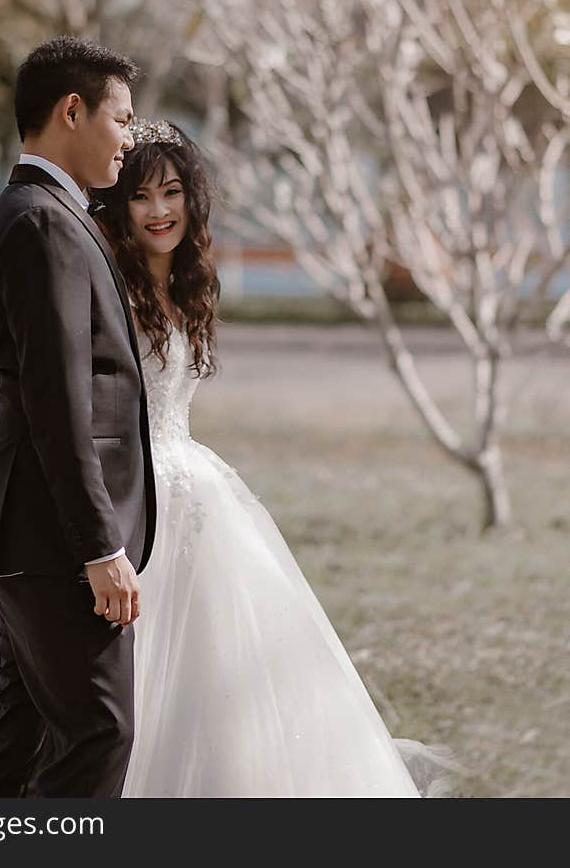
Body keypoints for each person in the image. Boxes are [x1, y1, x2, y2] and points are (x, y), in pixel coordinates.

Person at [87, 119, 459, 797]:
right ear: (120, 204)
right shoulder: (109, 286)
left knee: (223, 674)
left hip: (198, 492)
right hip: (131, 495)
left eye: (172, 192)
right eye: (142, 196)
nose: (160, 210)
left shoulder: (194, 284)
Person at [0, 35, 157, 798]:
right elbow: (56, 400)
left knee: (27, 730)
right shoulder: (41, 223)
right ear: (72, 110)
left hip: (33, 527)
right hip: (54, 536)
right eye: (122, 118)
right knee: (100, 732)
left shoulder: (48, 211)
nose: (131, 137)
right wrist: (100, 547)